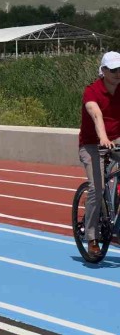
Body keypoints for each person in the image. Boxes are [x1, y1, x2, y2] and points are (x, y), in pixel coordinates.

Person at [79, 51, 120, 255]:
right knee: (96, 188)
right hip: (92, 144)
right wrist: (103, 137)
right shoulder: (92, 91)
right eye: (113, 70)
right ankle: (92, 236)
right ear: (103, 70)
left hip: (116, 140)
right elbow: (96, 114)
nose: (118, 73)